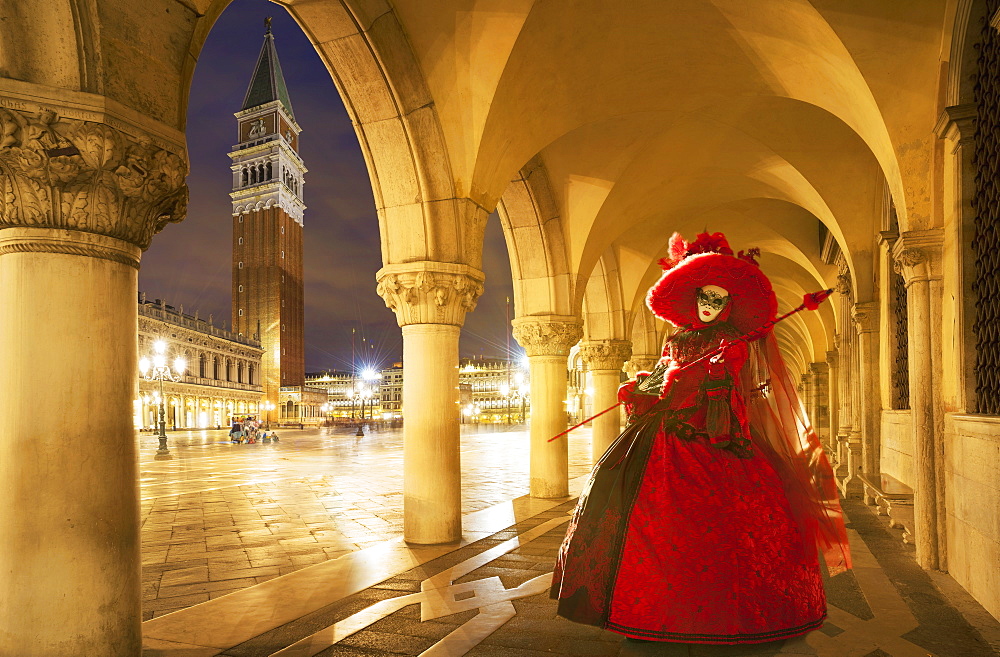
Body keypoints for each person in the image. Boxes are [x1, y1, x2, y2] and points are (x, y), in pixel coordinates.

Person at [550, 231, 851, 644]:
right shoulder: (676, 339)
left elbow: (725, 392)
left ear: (729, 304)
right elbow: (660, 378)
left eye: (719, 300)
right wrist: (644, 387)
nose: (709, 307)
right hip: (659, 439)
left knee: (730, 523)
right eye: (704, 298)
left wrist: (706, 374)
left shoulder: (732, 343)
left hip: (713, 435)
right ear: (692, 299)